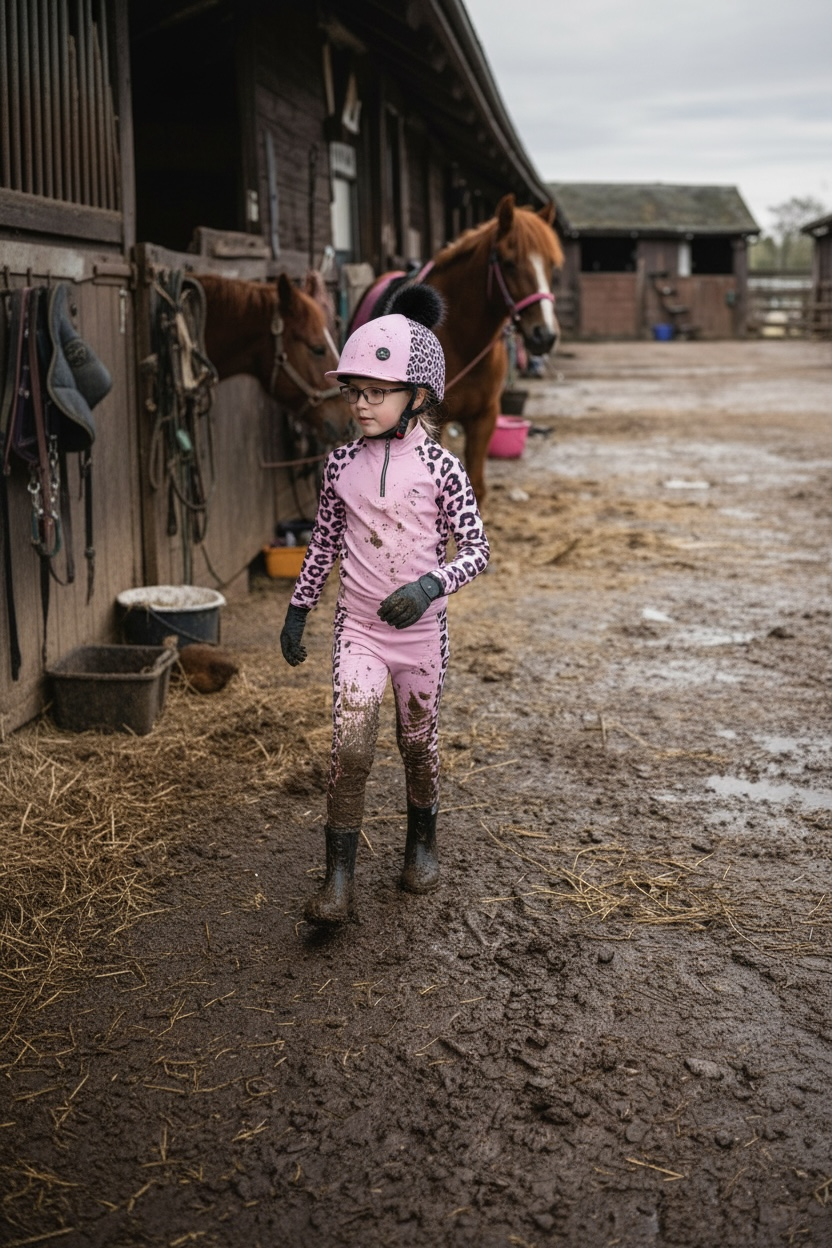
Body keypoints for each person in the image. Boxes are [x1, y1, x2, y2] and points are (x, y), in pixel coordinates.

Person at [279, 283, 490, 925]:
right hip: (360, 631)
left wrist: (430, 586)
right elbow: (321, 547)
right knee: (351, 745)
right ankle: (337, 879)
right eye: (355, 392)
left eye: (378, 392)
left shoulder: (442, 469)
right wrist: (298, 609)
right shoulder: (339, 464)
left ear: (417, 397)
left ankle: (420, 844)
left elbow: (477, 550)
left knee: (417, 743)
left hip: (421, 636)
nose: (362, 404)